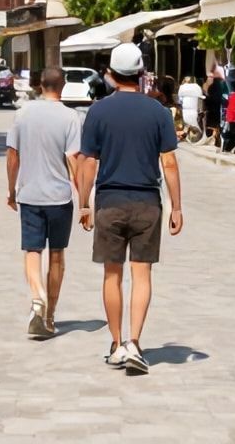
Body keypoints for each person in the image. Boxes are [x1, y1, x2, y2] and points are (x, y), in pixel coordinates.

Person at [75, 43, 183, 375]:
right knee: (142, 274)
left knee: (112, 274)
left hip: (109, 201)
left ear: (109, 75)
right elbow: (170, 163)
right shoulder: (158, 112)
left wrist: (83, 203)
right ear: (141, 74)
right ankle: (135, 342)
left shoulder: (98, 112)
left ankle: (116, 342)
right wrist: (177, 207)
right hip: (148, 201)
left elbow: (88, 161)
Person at [5, 67, 83, 339]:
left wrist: (11, 190)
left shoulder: (22, 113)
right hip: (60, 197)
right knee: (57, 254)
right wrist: (84, 200)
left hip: (29, 194)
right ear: (63, 86)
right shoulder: (71, 117)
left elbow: (12, 155)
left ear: (39, 85)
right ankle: (49, 316)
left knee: (32, 251)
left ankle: (37, 300)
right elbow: (74, 160)